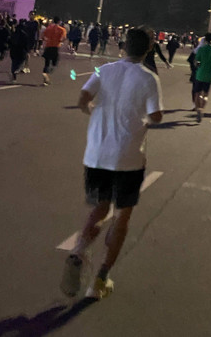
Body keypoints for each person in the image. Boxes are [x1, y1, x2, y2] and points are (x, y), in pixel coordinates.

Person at [60, 27, 163, 300]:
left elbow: (83, 99)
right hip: (128, 157)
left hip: (95, 155)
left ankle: (79, 250)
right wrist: (141, 120)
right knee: (121, 216)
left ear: (124, 45)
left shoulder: (103, 70)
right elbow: (156, 116)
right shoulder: (148, 78)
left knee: (100, 207)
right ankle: (100, 280)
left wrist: (93, 112)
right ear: (148, 49)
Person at [193, 32, 211, 122]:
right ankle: (202, 109)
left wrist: (199, 64)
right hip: (208, 75)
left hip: (199, 74)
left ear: (205, 39)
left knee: (197, 94)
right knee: (205, 94)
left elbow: (195, 61)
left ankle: (198, 109)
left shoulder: (201, 49)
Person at [41, 17, 67, 85]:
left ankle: (45, 77)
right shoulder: (62, 30)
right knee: (55, 63)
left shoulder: (49, 28)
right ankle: (48, 72)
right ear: (59, 22)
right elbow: (62, 39)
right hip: (55, 47)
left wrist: (47, 40)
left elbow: (43, 36)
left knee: (46, 63)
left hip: (48, 47)